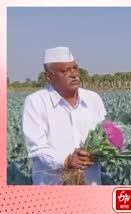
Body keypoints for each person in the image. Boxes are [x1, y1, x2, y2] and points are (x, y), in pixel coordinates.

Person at [22, 47, 107, 185]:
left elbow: (105, 135)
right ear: (49, 76)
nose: (74, 74)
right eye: (65, 70)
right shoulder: (35, 102)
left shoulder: (93, 99)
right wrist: (67, 160)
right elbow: (36, 148)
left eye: (75, 68)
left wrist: (98, 152)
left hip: (91, 186)